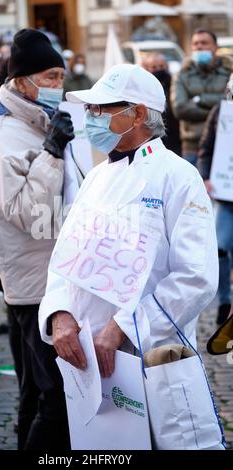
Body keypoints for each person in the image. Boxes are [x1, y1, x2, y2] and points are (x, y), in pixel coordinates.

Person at [39, 64, 218, 391]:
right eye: (89, 109)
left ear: (137, 114)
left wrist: (125, 326)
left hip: (151, 356)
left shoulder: (178, 177)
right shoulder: (95, 176)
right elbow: (67, 254)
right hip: (86, 355)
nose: (90, 117)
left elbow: (196, 275)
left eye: (100, 108)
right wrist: (59, 312)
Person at [0, 28, 74, 450]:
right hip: (33, 285)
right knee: (57, 399)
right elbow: (30, 215)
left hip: (52, 274)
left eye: (61, 77)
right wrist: (52, 153)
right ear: (21, 79)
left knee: (39, 393)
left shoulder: (33, 120)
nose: (57, 87)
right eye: (49, 77)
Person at [198, 74, 233, 325]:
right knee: (219, 248)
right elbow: (206, 148)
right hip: (227, 196)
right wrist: (206, 176)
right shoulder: (220, 112)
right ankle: (224, 300)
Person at [171, 29, 232, 166]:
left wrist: (200, 99)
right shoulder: (182, 74)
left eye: (204, 43)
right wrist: (217, 114)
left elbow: (231, 103)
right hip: (193, 145)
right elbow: (180, 108)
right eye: (195, 43)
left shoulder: (229, 71)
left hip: (225, 141)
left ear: (216, 47)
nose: (199, 47)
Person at [142, 52, 181, 155]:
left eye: (161, 66)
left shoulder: (175, 85)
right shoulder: (142, 89)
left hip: (175, 141)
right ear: (146, 69)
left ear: (166, 66)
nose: (158, 70)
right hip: (151, 142)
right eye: (154, 67)